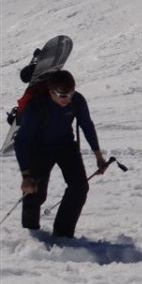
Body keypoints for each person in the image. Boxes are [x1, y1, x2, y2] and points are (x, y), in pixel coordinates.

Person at [14, 70, 108, 238]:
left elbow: (87, 125)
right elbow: (21, 142)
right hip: (39, 149)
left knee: (79, 188)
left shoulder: (77, 101)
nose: (68, 98)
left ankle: (63, 234)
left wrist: (98, 156)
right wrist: (26, 174)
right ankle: (30, 233)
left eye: (71, 93)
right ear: (51, 92)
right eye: (63, 95)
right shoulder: (36, 107)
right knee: (34, 192)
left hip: (65, 146)